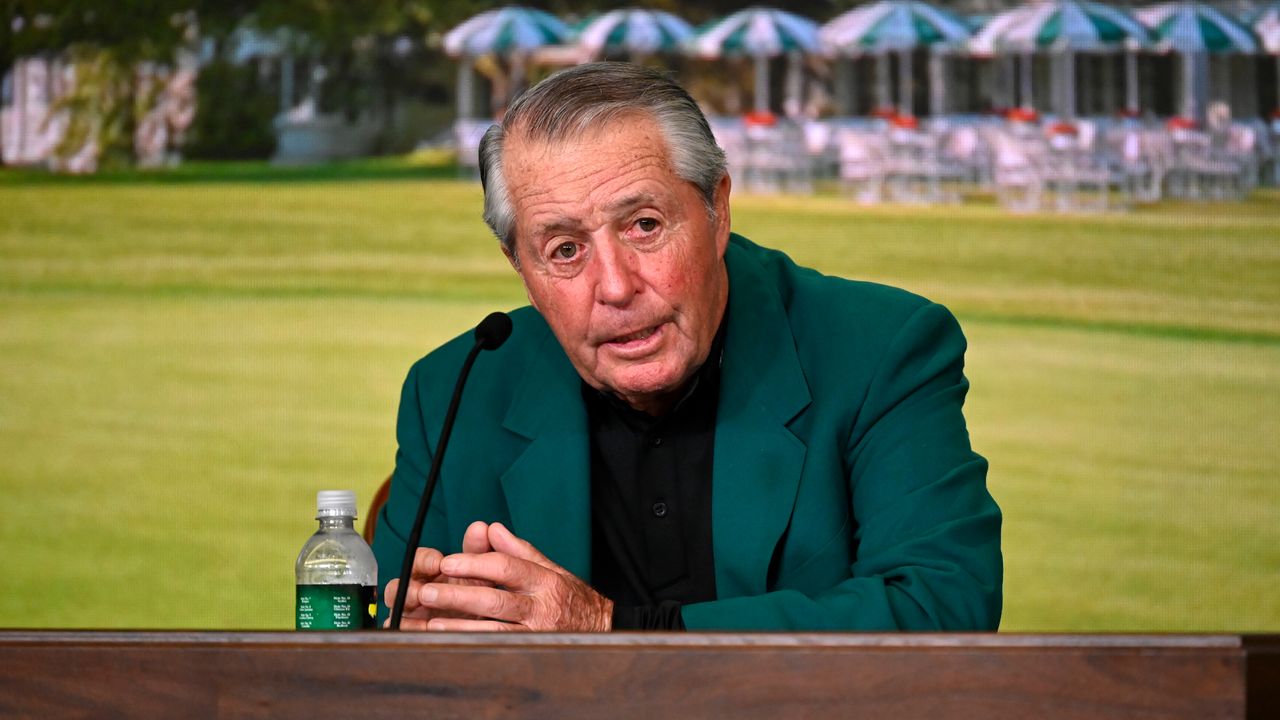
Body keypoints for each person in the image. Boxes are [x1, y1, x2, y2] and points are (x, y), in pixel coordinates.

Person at [372, 62, 1001, 632]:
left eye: (644, 226)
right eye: (564, 249)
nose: (615, 287)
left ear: (717, 209)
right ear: (519, 266)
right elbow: (393, 646)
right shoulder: (455, 389)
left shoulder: (879, 349)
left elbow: (943, 606)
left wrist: (609, 632)